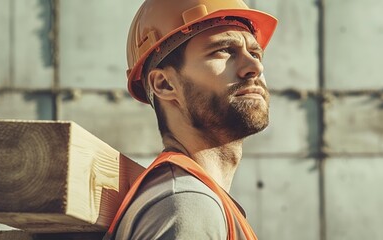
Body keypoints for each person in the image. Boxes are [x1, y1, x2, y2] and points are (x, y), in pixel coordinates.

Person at [103, 0, 277, 239]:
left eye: (255, 52)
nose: (254, 66)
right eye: (224, 50)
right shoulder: (186, 204)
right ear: (164, 84)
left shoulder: (196, 200)